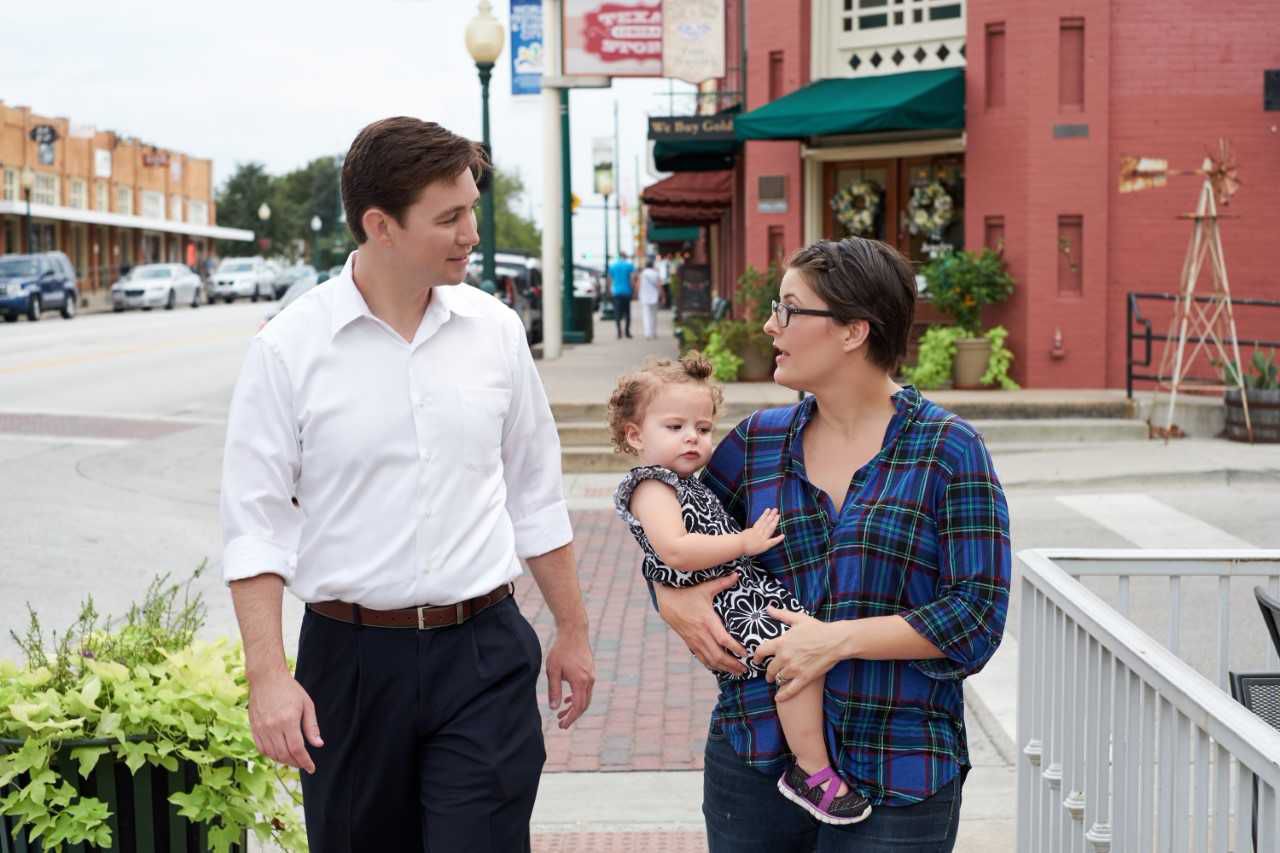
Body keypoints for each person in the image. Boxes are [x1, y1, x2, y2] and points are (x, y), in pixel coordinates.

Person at [220, 117, 596, 853]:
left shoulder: (495, 332)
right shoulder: (287, 350)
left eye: (472, 212)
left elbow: (535, 493)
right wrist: (267, 675)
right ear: (380, 225)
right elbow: (254, 526)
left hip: (483, 654)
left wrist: (573, 631)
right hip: (351, 665)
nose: (471, 235)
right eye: (449, 218)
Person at [652, 237, 1011, 852]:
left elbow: (975, 614)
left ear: (852, 331)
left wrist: (836, 640)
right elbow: (671, 539)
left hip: (901, 759)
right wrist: (670, 597)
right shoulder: (756, 443)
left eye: (789, 309)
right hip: (756, 747)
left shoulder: (949, 449)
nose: (770, 325)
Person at [608, 353, 873, 826]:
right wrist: (745, 542)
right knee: (795, 665)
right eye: (675, 427)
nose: (693, 437)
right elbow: (675, 550)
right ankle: (811, 769)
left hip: (744, 593)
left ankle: (813, 760)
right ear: (635, 435)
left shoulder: (684, 482)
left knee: (804, 657)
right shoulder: (651, 487)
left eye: (703, 428)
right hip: (730, 602)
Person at [608, 250, 636, 339]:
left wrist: (610, 290)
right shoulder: (629, 265)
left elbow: (610, 279)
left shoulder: (613, 266)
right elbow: (632, 279)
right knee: (627, 313)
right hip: (626, 291)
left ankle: (619, 332)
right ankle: (627, 332)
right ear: (626, 256)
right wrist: (633, 290)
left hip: (616, 292)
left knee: (617, 313)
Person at [637, 257, 662, 339]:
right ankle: (654, 332)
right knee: (654, 315)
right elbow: (659, 285)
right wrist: (662, 295)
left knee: (646, 315)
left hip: (644, 296)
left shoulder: (642, 274)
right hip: (654, 296)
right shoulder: (656, 273)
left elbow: (638, 285)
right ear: (652, 265)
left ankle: (647, 333)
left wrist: (637, 294)